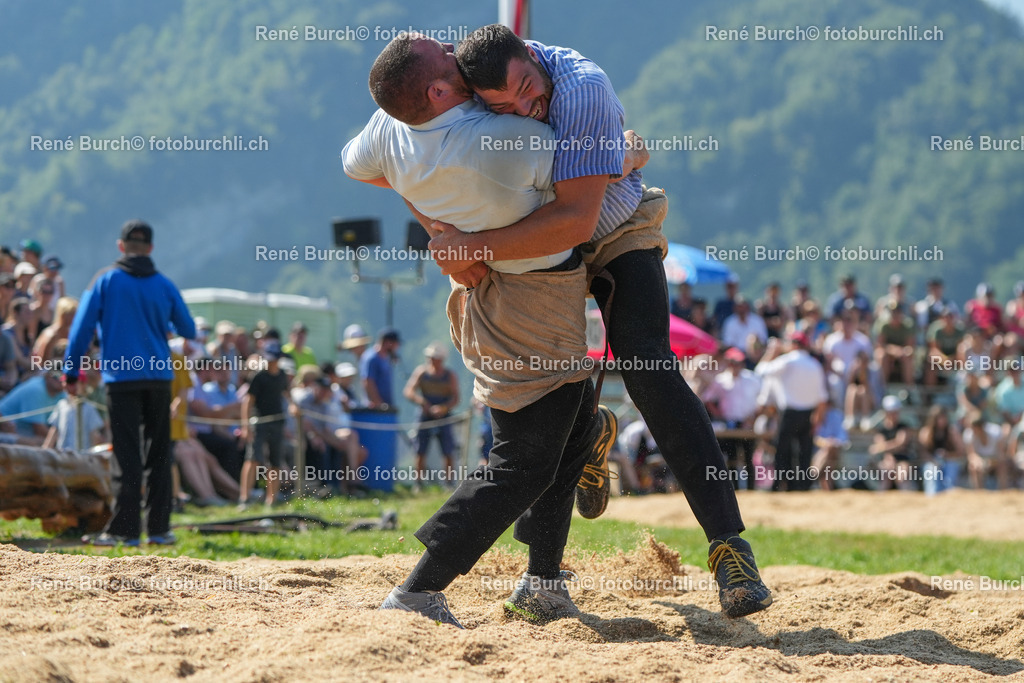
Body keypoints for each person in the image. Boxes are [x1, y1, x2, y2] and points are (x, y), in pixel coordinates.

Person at [443, 23, 771, 617]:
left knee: (649, 367)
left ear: (532, 56)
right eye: (505, 107)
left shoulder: (583, 88)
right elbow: (399, 156)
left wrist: (475, 244)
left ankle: (730, 548)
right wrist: (443, 236)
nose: (525, 107)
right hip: (537, 252)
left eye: (527, 88)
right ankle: (547, 565)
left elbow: (576, 216)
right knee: (550, 392)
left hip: (613, 227)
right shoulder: (463, 104)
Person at [343, 33, 619, 626]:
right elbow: (584, 194)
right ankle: (419, 588)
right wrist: (630, 151)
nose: (454, 47)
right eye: (444, 55)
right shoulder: (509, 141)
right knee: (525, 459)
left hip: (481, 292)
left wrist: (440, 225)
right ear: (438, 91)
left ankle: (544, 581)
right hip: (533, 298)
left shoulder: (391, 129)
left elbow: (357, 166)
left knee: (568, 433)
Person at [64, 219, 196, 546]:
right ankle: (160, 530)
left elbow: (81, 330)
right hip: (159, 378)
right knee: (159, 454)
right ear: (150, 248)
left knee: (126, 454)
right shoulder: (164, 284)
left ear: (121, 246)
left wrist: (71, 372)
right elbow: (189, 329)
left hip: (122, 378)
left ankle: (125, 530)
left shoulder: (105, 280)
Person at [755, 332, 828, 491]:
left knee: (782, 450)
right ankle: (802, 486)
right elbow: (822, 398)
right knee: (804, 452)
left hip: (789, 413)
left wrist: (772, 352)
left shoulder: (788, 360)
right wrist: (817, 418)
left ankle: (780, 485)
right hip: (808, 414)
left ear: (794, 344)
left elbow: (760, 371)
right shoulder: (815, 365)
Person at [239, 341, 291, 507]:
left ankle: (271, 500)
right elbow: (248, 402)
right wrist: (246, 426)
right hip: (259, 422)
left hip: (277, 422)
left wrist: (294, 405)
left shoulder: (282, 375)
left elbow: (287, 393)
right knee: (253, 459)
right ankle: (244, 498)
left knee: (275, 462)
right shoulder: (259, 376)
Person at [702, 348, 761, 490]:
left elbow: (761, 399)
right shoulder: (721, 380)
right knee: (732, 456)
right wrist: (719, 414)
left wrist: (754, 417)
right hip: (729, 423)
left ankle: (751, 488)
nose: (736, 366)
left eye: (738, 363)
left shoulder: (752, 378)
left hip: (747, 422)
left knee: (748, 456)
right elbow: (708, 399)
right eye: (733, 363)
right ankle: (734, 488)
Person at [404, 343, 460, 488]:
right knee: (420, 449)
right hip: (424, 414)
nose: (431, 360)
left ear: (441, 359)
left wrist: (443, 408)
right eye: (429, 357)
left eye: (434, 357)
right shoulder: (421, 372)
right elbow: (409, 391)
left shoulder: (450, 375)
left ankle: (448, 483)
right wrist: (422, 402)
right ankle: (418, 483)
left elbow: (456, 398)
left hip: (444, 416)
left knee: (448, 449)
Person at [0, 369, 65, 445]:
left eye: (64, 377)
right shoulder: (36, 389)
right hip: (7, 430)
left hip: (24, 430)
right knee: (41, 443)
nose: (60, 380)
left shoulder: (62, 392)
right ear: (47, 375)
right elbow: (40, 430)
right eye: (56, 376)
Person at [870, 396, 915, 491]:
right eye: (891, 412)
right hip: (887, 460)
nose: (894, 415)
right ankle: (881, 497)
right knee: (885, 472)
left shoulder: (903, 427)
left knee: (902, 474)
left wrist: (884, 447)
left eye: (895, 412)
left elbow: (900, 444)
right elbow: (881, 444)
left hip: (902, 459)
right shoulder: (881, 430)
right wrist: (889, 455)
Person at [361, 328, 401, 410]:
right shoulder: (372, 358)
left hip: (386, 408)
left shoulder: (386, 358)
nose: (397, 347)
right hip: (376, 409)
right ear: (388, 343)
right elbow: (368, 382)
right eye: (395, 344)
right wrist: (378, 404)